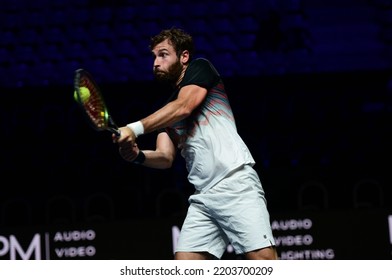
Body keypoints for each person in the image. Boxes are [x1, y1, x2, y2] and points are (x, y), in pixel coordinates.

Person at [113, 27, 278, 260]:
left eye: (163, 54)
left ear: (184, 56)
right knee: (187, 265)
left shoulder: (201, 69)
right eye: (153, 57)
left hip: (234, 183)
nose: (155, 63)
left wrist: (134, 128)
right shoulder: (166, 111)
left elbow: (185, 106)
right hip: (203, 196)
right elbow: (165, 157)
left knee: (264, 262)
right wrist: (138, 155)